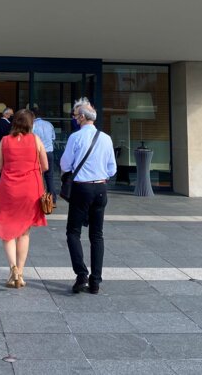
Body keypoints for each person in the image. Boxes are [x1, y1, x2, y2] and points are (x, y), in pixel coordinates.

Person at [60, 98, 116, 294]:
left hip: (81, 188)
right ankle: (96, 281)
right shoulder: (106, 138)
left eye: (75, 116)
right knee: (97, 235)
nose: (75, 118)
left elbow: (65, 165)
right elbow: (112, 168)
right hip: (101, 188)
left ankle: (81, 274)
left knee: (73, 232)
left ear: (82, 117)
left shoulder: (76, 138)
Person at [0, 109, 48, 288]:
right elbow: (45, 165)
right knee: (24, 232)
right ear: (30, 123)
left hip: (9, 190)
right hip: (30, 190)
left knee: (7, 231)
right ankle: (20, 272)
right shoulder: (36, 140)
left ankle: (12, 267)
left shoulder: (5, 141)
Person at [31, 105, 57, 203]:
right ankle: (52, 198)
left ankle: (38, 197)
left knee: (37, 175)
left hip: (37, 153)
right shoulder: (49, 124)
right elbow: (53, 137)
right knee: (49, 176)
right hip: (49, 152)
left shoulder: (32, 126)